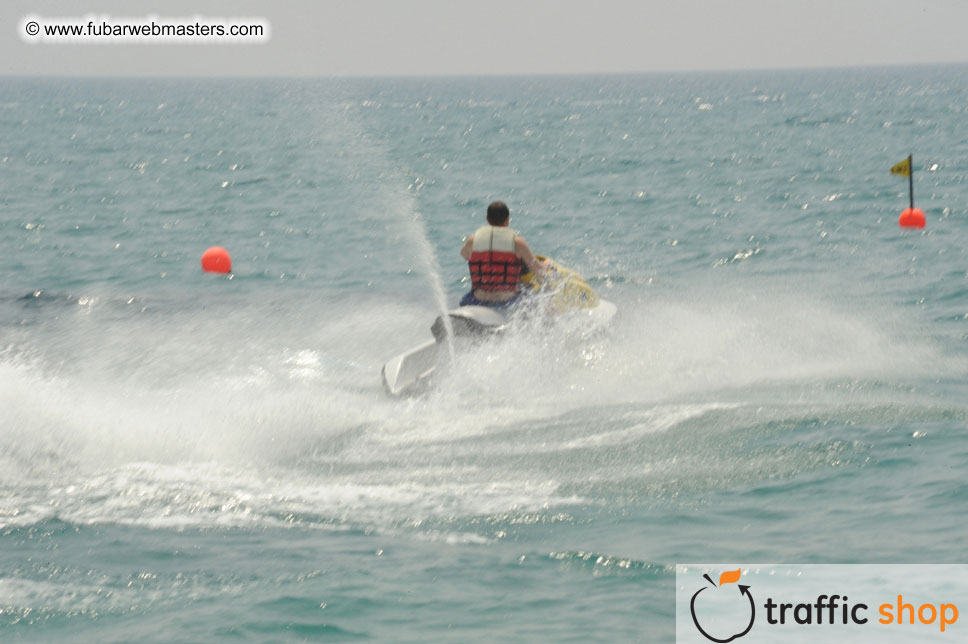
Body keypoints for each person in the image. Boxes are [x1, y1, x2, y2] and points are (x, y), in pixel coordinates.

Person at [459, 201, 549, 308]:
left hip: (478, 299)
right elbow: (539, 270)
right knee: (542, 296)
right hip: (507, 300)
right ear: (507, 220)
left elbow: (464, 254)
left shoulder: (473, 240)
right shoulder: (518, 243)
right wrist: (548, 263)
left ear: (487, 219)